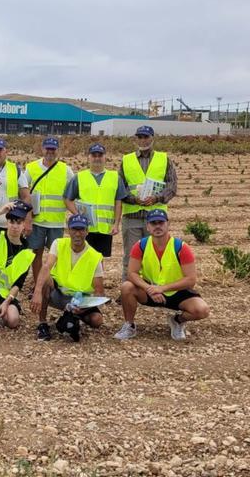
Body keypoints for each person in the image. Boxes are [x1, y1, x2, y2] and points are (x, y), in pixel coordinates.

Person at [115, 209, 210, 341]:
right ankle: (129, 325)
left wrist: (162, 288)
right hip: (150, 290)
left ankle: (177, 320)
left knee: (202, 310)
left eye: (161, 222)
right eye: (153, 223)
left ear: (168, 224)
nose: (157, 226)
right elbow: (132, 273)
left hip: (177, 292)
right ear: (148, 226)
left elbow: (191, 280)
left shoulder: (181, 247)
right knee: (126, 287)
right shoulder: (140, 246)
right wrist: (149, 288)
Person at [31, 213, 105, 342]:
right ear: (68, 230)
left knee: (97, 321)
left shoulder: (95, 256)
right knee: (45, 278)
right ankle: (42, 324)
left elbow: (99, 291)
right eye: (74, 229)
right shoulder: (59, 243)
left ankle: (74, 317)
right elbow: (46, 266)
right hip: (58, 293)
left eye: (81, 229)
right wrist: (37, 292)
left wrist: (82, 308)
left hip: (80, 300)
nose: (77, 234)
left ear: (87, 231)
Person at [118, 126, 178, 281]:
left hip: (156, 218)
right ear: (135, 139)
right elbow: (120, 187)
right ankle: (128, 290)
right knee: (131, 256)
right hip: (132, 216)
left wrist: (156, 198)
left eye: (146, 137)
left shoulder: (164, 159)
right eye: (140, 137)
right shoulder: (126, 160)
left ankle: (154, 289)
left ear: (152, 138)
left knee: (156, 255)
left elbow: (172, 186)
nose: (143, 140)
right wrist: (134, 199)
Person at [24, 136, 74, 289]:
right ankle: (38, 284)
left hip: (56, 221)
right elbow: (24, 192)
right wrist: (27, 219)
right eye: (47, 148)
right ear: (42, 149)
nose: (50, 151)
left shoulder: (66, 170)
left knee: (55, 255)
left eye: (53, 149)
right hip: (37, 220)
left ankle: (51, 283)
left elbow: (72, 192)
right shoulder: (31, 167)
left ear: (58, 150)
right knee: (36, 254)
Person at [0, 201, 35, 329]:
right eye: (11, 222)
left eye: (18, 223)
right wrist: (0, 212)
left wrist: (7, 301)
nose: (15, 226)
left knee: (13, 320)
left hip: (3, 293)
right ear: (6, 223)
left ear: (24, 224)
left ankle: (0, 310)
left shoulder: (27, 251)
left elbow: (18, 284)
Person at [66, 143, 128, 259]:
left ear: (105, 157)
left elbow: (118, 202)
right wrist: (77, 215)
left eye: (100, 155)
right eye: (94, 155)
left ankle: (98, 278)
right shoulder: (79, 177)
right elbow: (67, 199)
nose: (97, 158)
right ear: (88, 157)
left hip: (105, 228)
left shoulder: (115, 177)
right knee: (83, 258)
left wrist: (116, 224)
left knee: (100, 259)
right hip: (85, 228)